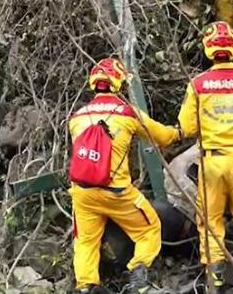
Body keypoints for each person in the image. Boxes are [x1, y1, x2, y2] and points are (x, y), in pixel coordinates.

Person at [173, 21, 233, 289]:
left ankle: (215, 274)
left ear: (208, 50)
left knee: (210, 219)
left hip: (212, 162)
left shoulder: (198, 84)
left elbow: (187, 127)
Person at [68, 59, 180, 294]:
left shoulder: (76, 117)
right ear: (118, 83)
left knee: (86, 241)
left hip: (82, 193)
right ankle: (138, 278)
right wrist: (179, 133)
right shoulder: (127, 113)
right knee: (149, 229)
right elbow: (161, 136)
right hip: (117, 193)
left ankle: (86, 286)